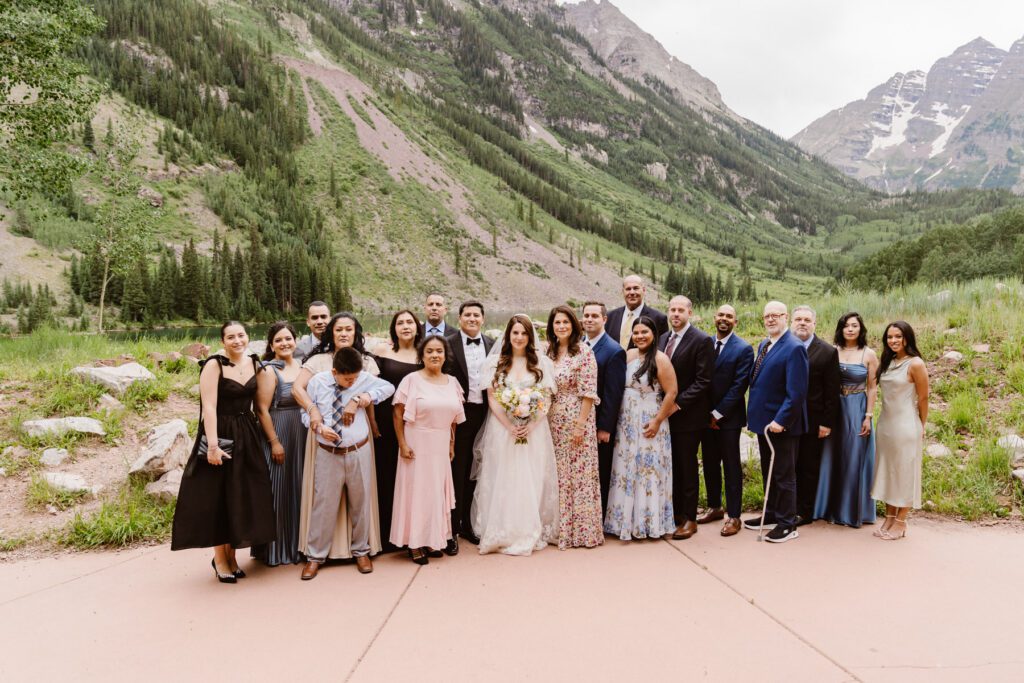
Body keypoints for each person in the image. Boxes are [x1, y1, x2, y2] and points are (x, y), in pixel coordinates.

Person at [171, 321, 275, 583]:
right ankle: (220, 558)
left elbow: (261, 405)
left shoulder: (254, 363)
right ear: (223, 341)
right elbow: (208, 408)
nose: (237, 340)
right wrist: (213, 445)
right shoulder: (213, 365)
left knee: (241, 493)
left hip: (247, 433)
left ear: (248, 337)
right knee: (219, 494)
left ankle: (233, 556)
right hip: (220, 432)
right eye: (231, 337)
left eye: (241, 335)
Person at [292, 312, 384, 566]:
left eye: (349, 330)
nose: (344, 334)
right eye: (339, 329)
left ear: (356, 333)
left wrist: (368, 414)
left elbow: (376, 391)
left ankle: (361, 550)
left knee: (360, 498)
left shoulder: (365, 362)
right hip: (324, 437)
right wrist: (313, 412)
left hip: (357, 439)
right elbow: (297, 388)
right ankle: (317, 554)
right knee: (324, 498)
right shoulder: (318, 362)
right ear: (331, 332)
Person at [471, 314, 559, 556]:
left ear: (530, 337)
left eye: (524, 333)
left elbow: (547, 399)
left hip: (534, 430)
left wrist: (530, 424)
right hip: (503, 429)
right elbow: (491, 397)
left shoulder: (542, 363)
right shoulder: (495, 364)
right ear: (508, 336)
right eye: (515, 333)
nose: (519, 337)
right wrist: (510, 426)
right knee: (504, 475)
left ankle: (529, 527)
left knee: (531, 475)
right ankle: (503, 528)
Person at [390, 335, 465, 564]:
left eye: (439, 351)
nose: (435, 355)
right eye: (430, 351)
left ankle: (433, 540)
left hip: (441, 444)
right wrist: (402, 443)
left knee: (435, 493)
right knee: (417, 493)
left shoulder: (452, 382)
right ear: (422, 356)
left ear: (445, 355)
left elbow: (454, 418)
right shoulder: (411, 380)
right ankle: (415, 543)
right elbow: (398, 413)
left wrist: (451, 444)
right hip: (416, 442)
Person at [604, 315, 679, 541]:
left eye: (644, 332)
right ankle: (622, 521)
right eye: (636, 333)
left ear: (654, 334)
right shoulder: (627, 356)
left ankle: (648, 522)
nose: (640, 336)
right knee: (626, 468)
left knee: (647, 469)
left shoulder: (661, 359)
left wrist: (657, 421)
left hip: (649, 420)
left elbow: (672, 393)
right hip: (626, 422)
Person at [743, 302, 809, 543]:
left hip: (782, 424)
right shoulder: (765, 344)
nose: (770, 320)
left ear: (786, 317)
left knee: (784, 474)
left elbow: (797, 392)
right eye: (767, 316)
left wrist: (781, 420)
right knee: (768, 470)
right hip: (764, 423)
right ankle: (771, 513)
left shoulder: (794, 347)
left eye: (776, 316)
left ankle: (787, 523)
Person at [546, 305, 603, 550]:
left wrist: (580, 426)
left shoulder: (583, 352)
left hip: (577, 420)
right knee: (558, 475)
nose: (561, 327)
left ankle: (582, 532)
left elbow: (589, 392)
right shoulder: (549, 352)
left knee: (578, 476)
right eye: (557, 323)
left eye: (566, 322)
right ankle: (560, 529)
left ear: (574, 325)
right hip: (552, 421)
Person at [814, 312, 878, 528]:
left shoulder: (868, 354)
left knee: (853, 457)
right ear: (840, 329)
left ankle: (850, 511)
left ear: (861, 329)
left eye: (854, 325)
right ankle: (825, 508)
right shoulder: (833, 351)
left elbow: (872, 387)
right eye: (846, 326)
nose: (850, 329)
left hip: (856, 408)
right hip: (834, 408)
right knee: (829, 456)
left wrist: (868, 416)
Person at [252, 321, 306, 566]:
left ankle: (302, 545)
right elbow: (261, 409)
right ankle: (278, 549)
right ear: (271, 345)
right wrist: (274, 442)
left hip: (304, 433)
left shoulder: (304, 366)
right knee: (280, 490)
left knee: (300, 488)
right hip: (281, 431)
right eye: (279, 340)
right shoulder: (268, 370)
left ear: (295, 341)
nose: (285, 343)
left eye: (288, 339)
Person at [660, 295, 714, 540]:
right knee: (670, 466)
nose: (676, 314)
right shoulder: (662, 339)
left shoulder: (701, 340)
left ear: (689, 313)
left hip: (688, 416)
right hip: (663, 416)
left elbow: (703, 381)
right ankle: (676, 513)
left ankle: (690, 519)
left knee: (687, 466)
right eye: (672, 310)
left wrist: (677, 404)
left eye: (681, 310)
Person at [699, 305, 754, 537]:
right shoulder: (705, 343)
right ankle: (714, 506)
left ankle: (734, 516)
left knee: (731, 467)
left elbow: (739, 385)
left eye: (729, 316)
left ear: (735, 322)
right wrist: (705, 413)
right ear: (714, 319)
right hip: (704, 417)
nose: (724, 319)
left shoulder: (743, 349)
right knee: (710, 463)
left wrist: (717, 413)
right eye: (720, 315)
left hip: (728, 419)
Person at [443, 300, 494, 551]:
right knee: (457, 470)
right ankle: (451, 530)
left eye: (476, 315)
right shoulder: (447, 343)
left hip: (486, 414)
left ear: (483, 319)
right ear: (459, 318)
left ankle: (469, 524)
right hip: (457, 416)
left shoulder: (491, 344)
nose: (472, 318)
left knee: (478, 470)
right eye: (467, 315)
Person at [871, 321, 929, 541]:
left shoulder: (915, 364)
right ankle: (889, 516)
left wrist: (921, 425)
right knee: (887, 470)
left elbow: (923, 398)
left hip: (906, 426)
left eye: (898, 337)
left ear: (907, 338)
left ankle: (902, 522)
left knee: (905, 472)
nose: (893, 341)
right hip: (886, 425)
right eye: (889, 337)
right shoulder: (888, 361)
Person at [371, 310, 423, 551]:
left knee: (411, 477)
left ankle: (411, 532)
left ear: (416, 326)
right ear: (394, 328)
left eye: (409, 322)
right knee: (386, 474)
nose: (405, 326)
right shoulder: (382, 352)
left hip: (416, 422)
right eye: (400, 322)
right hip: (385, 419)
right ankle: (385, 535)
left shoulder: (424, 353)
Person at [787, 306, 841, 526]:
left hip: (813, 420)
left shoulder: (827, 351)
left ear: (814, 324)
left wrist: (827, 422)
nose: (802, 323)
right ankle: (785, 508)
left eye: (807, 320)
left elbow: (831, 390)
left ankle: (804, 512)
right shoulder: (785, 347)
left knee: (808, 467)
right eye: (798, 319)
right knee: (788, 466)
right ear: (791, 322)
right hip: (788, 419)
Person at [580, 301, 627, 514]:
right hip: (579, 420)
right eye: (586, 315)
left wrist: (605, 427)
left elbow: (613, 393)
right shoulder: (578, 344)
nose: (589, 319)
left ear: (604, 319)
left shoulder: (614, 350)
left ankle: (600, 516)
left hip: (599, 423)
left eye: (594, 316)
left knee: (601, 471)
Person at [605, 275, 668, 350]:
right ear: (623, 292)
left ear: (643, 290)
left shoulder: (658, 319)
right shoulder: (610, 316)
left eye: (636, 288)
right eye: (628, 289)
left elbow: (661, 349)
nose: (632, 292)